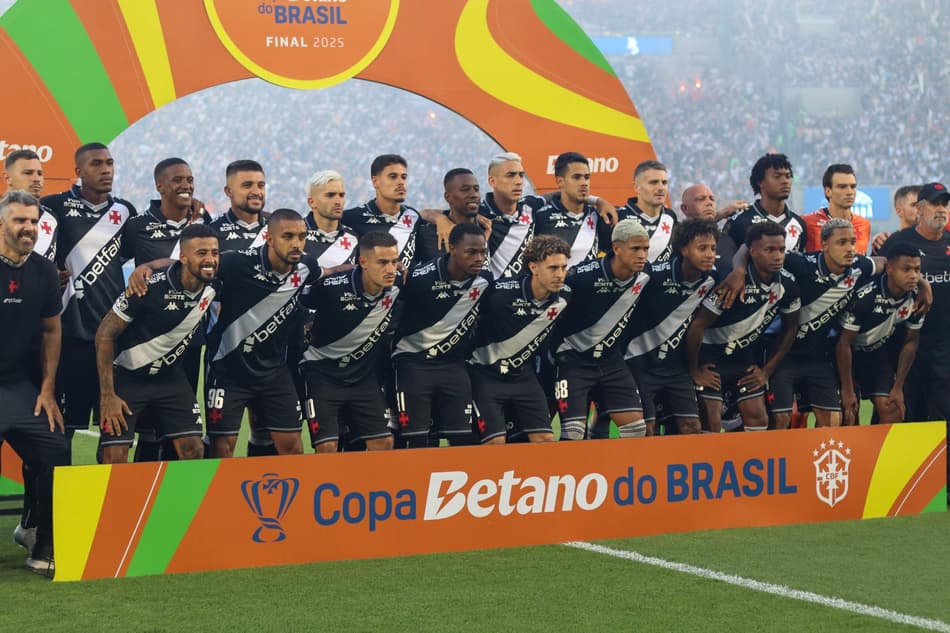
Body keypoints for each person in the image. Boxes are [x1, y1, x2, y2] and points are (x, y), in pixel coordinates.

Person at [40, 143, 138, 464]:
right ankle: (49, 512)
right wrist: (50, 275)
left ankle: (110, 510)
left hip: (113, 340)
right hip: (70, 338)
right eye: (97, 164)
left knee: (114, 436)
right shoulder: (54, 206)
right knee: (60, 436)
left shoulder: (125, 211)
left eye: (110, 163)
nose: (106, 169)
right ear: (79, 172)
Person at [205, 209, 329, 458]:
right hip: (228, 369)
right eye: (288, 236)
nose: (297, 243)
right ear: (269, 239)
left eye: (302, 236)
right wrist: (149, 268)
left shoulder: (306, 266)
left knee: (293, 447)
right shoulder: (235, 263)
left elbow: (329, 273)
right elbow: (194, 268)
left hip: (274, 372)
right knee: (222, 448)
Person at [95, 224, 218, 463]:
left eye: (214, 252)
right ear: (182, 257)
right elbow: (104, 335)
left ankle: (184, 502)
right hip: (128, 377)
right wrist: (107, 394)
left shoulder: (215, 282)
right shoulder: (146, 287)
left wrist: (149, 263)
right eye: (201, 253)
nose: (210, 260)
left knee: (193, 449)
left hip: (170, 378)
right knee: (115, 456)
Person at [121, 158, 212, 461]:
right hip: (147, 342)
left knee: (180, 431)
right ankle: (141, 501)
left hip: (189, 340)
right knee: (148, 432)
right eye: (177, 180)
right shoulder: (137, 227)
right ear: (160, 185)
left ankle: (175, 503)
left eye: (189, 179)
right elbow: (109, 266)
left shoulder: (203, 223)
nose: (186, 185)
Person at [0, 190, 66, 576]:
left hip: (23, 389)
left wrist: (46, 388)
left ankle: (42, 543)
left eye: (32, 221)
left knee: (56, 449)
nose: (28, 228)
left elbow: (52, 332)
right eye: (19, 220)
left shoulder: (43, 270)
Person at [756, 218, 877, 429]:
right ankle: (783, 461)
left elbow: (887, 263)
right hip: (782, 354)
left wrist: (921, 283)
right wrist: (738, 272)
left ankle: (812, 462)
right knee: (782, 420)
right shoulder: (801, 264)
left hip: (816, 357)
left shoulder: (859, 267)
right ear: (825, 245)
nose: (850, 248)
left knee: (832, 421)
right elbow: (749, 252)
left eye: (852, 241)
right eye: (842, 243)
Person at [686, 222, 801, 432]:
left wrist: (766, 371)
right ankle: (711, 463)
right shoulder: (731, 281)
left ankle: (751, 463)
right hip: (711, 360)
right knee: (710, 419)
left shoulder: (788, 283)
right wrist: (694, 369)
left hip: (745, 362)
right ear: (753, 252)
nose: (778, 256)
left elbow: (791, 328)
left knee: (758, 418)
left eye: (781, 250)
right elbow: (697, 326)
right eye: (770, 250)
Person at [299, 231, 401, 453]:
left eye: (394, 262)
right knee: (327, 447)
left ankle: (370, 488)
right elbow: (295, 301)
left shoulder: (399, 287)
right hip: (322, 376)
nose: (391, 269)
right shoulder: (332, 288)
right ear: (362, 262)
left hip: (363, 378)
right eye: (382, 263)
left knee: (384, 443)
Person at [392, 223, 491, 447]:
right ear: (452, 248)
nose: (479, 258)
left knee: (463, 438)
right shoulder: (418, 278)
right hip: (414, 364)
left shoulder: (485, 280)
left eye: (483, 252)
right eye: (471, 252)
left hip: (453, 367)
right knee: (418, 442)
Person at [551, 219, 650, 440]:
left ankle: (623, 473)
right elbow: (553, 315)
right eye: (635, 249)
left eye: (645, 248)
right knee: (573, 434)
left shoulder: (647, 275)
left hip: (611, 362)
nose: (642, 254)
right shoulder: (581, 277)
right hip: (574, 360)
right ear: (616, 248)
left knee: (636, 431)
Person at [468, 235, 572, 444]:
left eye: (563, 267)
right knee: (495, 442)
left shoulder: (564, 297)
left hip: (523, 376)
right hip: (485, 375)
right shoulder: (500, 294)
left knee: (544, 439)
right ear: (533, 267)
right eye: (553, 268)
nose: (560, 275)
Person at [625, 218, 719, 435]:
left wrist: (694, 369)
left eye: (713, 248)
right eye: (702, 248)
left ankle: (687, 469)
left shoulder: (712, 279)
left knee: (692, 427)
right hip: (640, 363)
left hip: (676, 368)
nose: (709, 254)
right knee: (647, 428)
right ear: (684, 249)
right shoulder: (653, 275)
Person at [879, 182, 950, 428]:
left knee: (942, 416)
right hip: (904, 343)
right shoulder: (898, 242)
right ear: (919, 208)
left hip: (943, 347)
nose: (941, 209)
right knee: (903, 413)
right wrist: (922, 282)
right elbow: (879, 276)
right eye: (934, 204)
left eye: (945, 204)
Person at [837, 243, 923, 425]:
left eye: (917, 269)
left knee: (892, 408)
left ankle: (886, 454)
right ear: (889, 269)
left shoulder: (918, 297)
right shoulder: (865, 296)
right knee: (849, 413)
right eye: (906, 269)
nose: (913, 276)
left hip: (878, 354)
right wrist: (847, 388)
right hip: (847, 355)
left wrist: (898, 386)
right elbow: (843, 342)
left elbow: (911, 341)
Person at [724, 153, 807, 254]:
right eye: (777, 176)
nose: (785, 181)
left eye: (788, 176)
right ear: (760, 182)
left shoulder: (799, 223)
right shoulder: (739, 221)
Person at [602, 160, 679, 263]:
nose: (661, 188)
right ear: (636, 187)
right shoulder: (617, 216)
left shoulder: (670, 216)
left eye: (664, 183)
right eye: (653, 182)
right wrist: (597, 201)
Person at [535, 152, 601, 268]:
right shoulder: (541, 217)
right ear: (560, 181)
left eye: (587, 177)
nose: (584, 183)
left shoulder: (599, 216)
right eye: (577, 177)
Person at [414, 168, 483, 262]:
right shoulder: (427, 233)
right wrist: (438, 219)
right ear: (447, 197)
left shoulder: (488, 225)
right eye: (465, 189)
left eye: (476, 189)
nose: (474, 194)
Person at [802, 164, 872, 254]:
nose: (849, 192)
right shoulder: (807, 222)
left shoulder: (864, 224)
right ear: (828, 191)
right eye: (842, 187)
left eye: (853, 186)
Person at [679, 183, 745, 274]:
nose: (709, 203)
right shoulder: (676, 239)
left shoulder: (727, 240)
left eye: (712, 199)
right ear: (685, 208)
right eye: (701, 199)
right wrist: (722, 213)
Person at [4, 149, 56, 260]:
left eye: (40, 173)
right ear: (8, 178)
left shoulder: (52, 218)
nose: (36, 179)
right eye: (28, 173)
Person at [210, 160, 269, 251]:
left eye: (261, 185)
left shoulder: (276, 229)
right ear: (229, 191)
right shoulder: (212, 231)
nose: (256, 192)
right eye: (247, 185)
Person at [870, 185, 921, 255]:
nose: (921, 209)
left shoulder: (935, 242)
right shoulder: (885, 243)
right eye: (914, 205)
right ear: (899, 211)